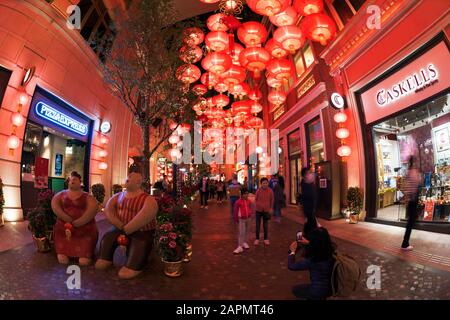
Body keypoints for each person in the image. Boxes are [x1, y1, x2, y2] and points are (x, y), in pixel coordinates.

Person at [95, 172, 158, 279]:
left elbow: (147, 214)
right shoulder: (118, 196)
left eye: (130, 178)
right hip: (120, 227)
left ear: (138, 183)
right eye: (127, 178)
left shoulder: (147, 199)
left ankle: (133, 266)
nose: (127, 179)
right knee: (108, 237)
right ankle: (105, 257)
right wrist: (118, 224)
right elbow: (109, 210)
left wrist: (129, 228)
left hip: (142, 230)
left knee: (140, 243)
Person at [51, 171, 99, 266]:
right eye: (71, 179)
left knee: (83, 260)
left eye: (75, 179)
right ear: (68, 182)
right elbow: (55, 205)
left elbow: (92, 209)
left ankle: (85, 254)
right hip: (64, 226)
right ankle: (63, 252)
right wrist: (65, 218)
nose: (72, 181)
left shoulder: (87, 196)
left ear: (80, 182)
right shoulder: (61, 194)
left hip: (83, 228)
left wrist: (81, 221)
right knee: (60, 233)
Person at [288, 227, 334, 300]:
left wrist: (292, 252)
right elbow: (320, 244)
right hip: (331, 289)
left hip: (317, 291)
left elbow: (291, 266)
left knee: (296, 290)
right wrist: (309, 242)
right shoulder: (331, 252)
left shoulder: (314, 259)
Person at [400, 156, 422, 251]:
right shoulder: (413, 172)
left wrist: (406, 197)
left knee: (411, 221)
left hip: (411, 200)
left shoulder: (409, 172)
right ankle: (405, 243)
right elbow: (416, 184)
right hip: (413, 200)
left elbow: (406, 187)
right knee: (410, 223)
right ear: (414, 162)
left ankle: (405, 242)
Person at [233, 188, 254, 254]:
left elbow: (251, 208)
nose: (246, 195)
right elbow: (235, 211)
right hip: (241, 219)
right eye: (245, 193)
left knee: (247, 231)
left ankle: (245, 242)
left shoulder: (249, 201)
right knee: (241, 232)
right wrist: (236, 219)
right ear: (242, 194)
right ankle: (240, 246)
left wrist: (251, 214)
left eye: (247, 193)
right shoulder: (238, 202)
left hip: (248, 218)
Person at [254, 177, 274, 246]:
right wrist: (259, 206)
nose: (265, 184)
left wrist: (271, 208)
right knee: (257, 225)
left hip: (266, 211)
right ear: (261, 184)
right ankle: (257, 239)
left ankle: (266, 239)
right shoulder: (258, 191)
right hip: (258, 211)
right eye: (263, 183)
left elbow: (272, 200)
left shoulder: (270, 191)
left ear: (268, 183)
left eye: (266, 183)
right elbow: (255, 200)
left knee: (265, 225)